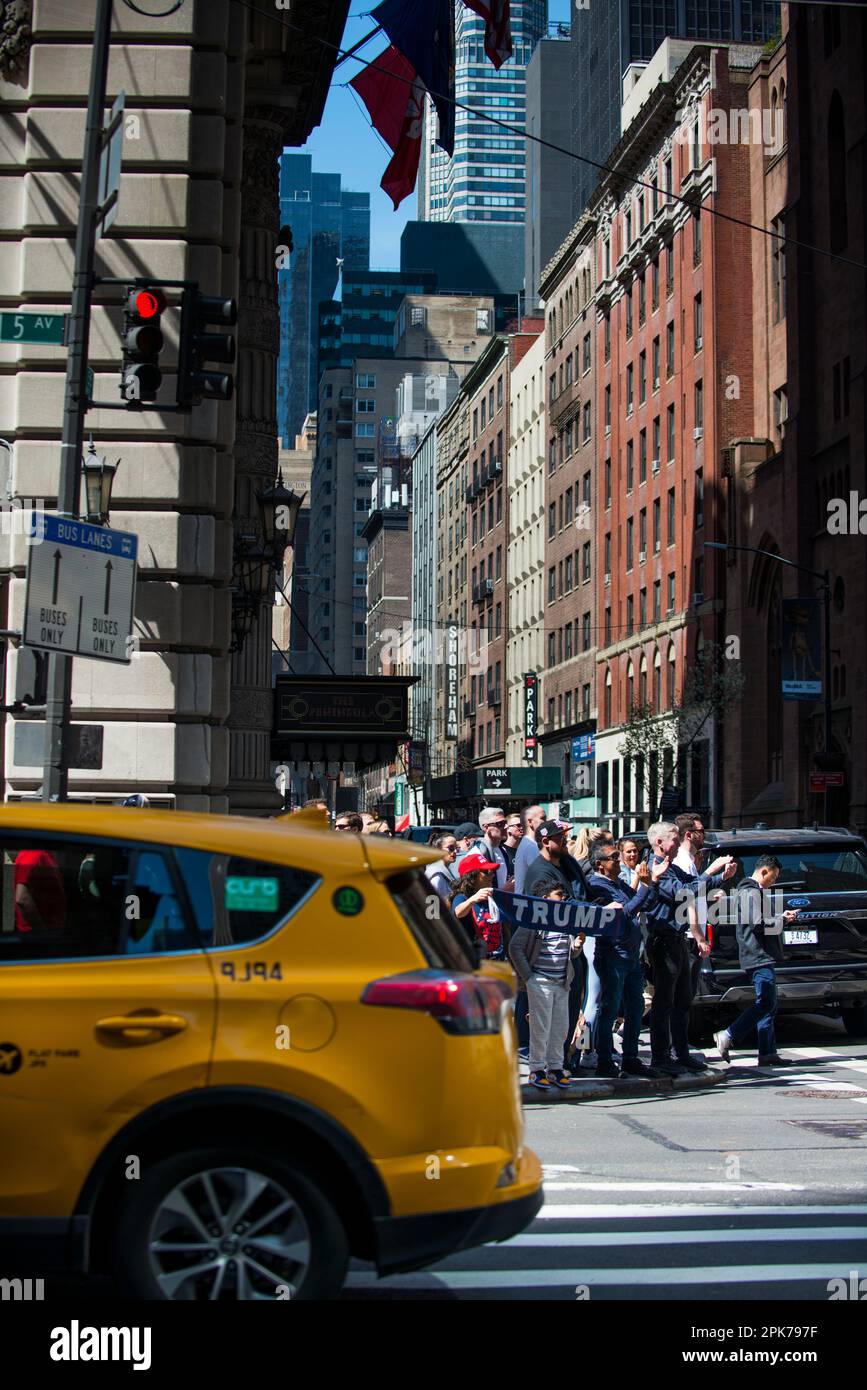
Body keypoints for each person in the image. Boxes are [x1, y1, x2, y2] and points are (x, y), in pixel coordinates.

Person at [644, 820, 737, 1075]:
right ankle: (661, 1057)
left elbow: (692, 884)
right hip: (663, 941)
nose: (677, 842)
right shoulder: (657, 868)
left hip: (677, 940)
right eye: (673, 838)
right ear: (659, 842)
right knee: (664, 1002)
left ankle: (681, 1053)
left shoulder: (672, 867)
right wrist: (711, 872)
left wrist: (721, 877)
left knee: (683, 999)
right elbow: (683, 893)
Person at [586, 840, 669, 1078]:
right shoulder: (597, 886)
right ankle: (604, 1059)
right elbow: (627, 911)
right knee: (610, 1008)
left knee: (636, 1006)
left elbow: (644, 902)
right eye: (613, 857)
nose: (618, 860)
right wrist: (645, 886)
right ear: (600, 864)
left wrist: (651, 883)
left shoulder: (619, 883)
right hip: (612, 955)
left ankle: (630, 1057)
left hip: (631, 954)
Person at [714, 855, 800, 1067]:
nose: (775, 881)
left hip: (760, 954)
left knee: (769, 1004)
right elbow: (758, 924)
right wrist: (782, 920)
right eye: (774, 876)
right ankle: (728, 1035)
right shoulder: (750, 892)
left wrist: (781, 917)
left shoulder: (753, 892)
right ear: (764, 871)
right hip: (758, 955)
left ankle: (767, 1052)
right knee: (766, 1002)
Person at [508, 878, 586, 1092]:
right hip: (540, 982)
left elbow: (568, 951)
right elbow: (515, 947)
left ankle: (555, 1067)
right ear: (545, 899)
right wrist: (529, 978)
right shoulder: (534, 921)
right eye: (559, 895)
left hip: (561, 983)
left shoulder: (565, 921)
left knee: (560, 1028)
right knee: (541, 1027)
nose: (563, 899)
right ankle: (537, 1069)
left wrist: (576, 947)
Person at [568, 826, 614, 1070]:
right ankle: (585, 1051)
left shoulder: (579, 864)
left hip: (588, 935)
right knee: (593, 1000)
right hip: (593, 936)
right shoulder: (592, 874)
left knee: (590, 997)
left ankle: (585, 1049)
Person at [449, 853, 504, 958]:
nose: (492, 875)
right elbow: (458, 912)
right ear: (472, 877)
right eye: (486, 872)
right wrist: (473, 900)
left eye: (492, 871)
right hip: (475, 962)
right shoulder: (461, 897)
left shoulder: (491, 897)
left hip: (497, 960)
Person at [458, 807, 513, 890]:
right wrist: (504, 891)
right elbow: (471, 890)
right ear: (486, 827)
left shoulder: (502, 850)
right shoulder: (476, 854)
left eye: (505, 822)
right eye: (500, 824)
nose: (506, 827)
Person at [14, 848, 66, 934]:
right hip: (37, 935)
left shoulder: (43, 854)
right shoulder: (34, 855)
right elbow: (22, 899)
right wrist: (42, 932)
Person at [513, 804, 545, 893]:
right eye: (543, 818)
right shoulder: (530, 846)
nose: (546, 822)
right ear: (530, 822)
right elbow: (541, 878)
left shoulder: (530, 844)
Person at [425, 832, 460, 901]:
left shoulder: (442, 869)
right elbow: (432, 908)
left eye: (457, 848)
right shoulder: (437, 876)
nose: (455, 851)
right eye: (451, 848)